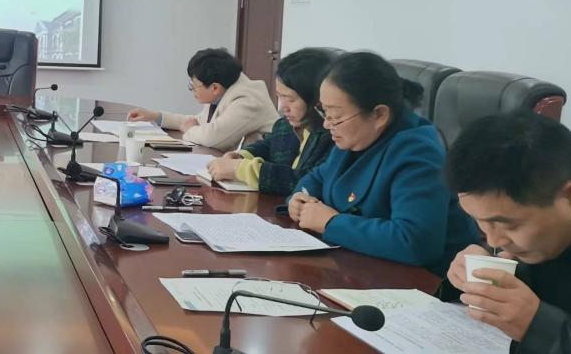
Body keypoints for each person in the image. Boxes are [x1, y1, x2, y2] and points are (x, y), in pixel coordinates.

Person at [288, 52, 478, 273]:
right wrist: (300, 199)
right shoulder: (354, 138)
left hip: (422, 281)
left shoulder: (418, 151)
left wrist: (331, 223)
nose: (327, 124)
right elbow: (318, 177)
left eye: (336, 116)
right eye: (325, 112)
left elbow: (415, 242)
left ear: (379, 115)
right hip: (360, 267)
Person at [445, 112, 571, 353]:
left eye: (509, 225)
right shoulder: (531, 244)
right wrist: (470, 281)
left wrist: (538, 326)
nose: (494, 240)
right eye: (479, 221)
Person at [206, 48, 336, 195]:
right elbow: (269, 145)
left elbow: (304, 180)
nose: (282, 107)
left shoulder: (332, 135)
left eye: (291, 99)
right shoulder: (286, 125)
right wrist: (242, 156)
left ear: (316, 98)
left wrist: (240, 169)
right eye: (280, 96)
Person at [127, 48, 278, 151]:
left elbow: (212, 137)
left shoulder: (248, 100)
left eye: (194, 85)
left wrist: (189, 130)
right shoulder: (225, 87)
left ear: (214, 88)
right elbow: (197, 122)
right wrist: (155, 116)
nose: (192, 89)